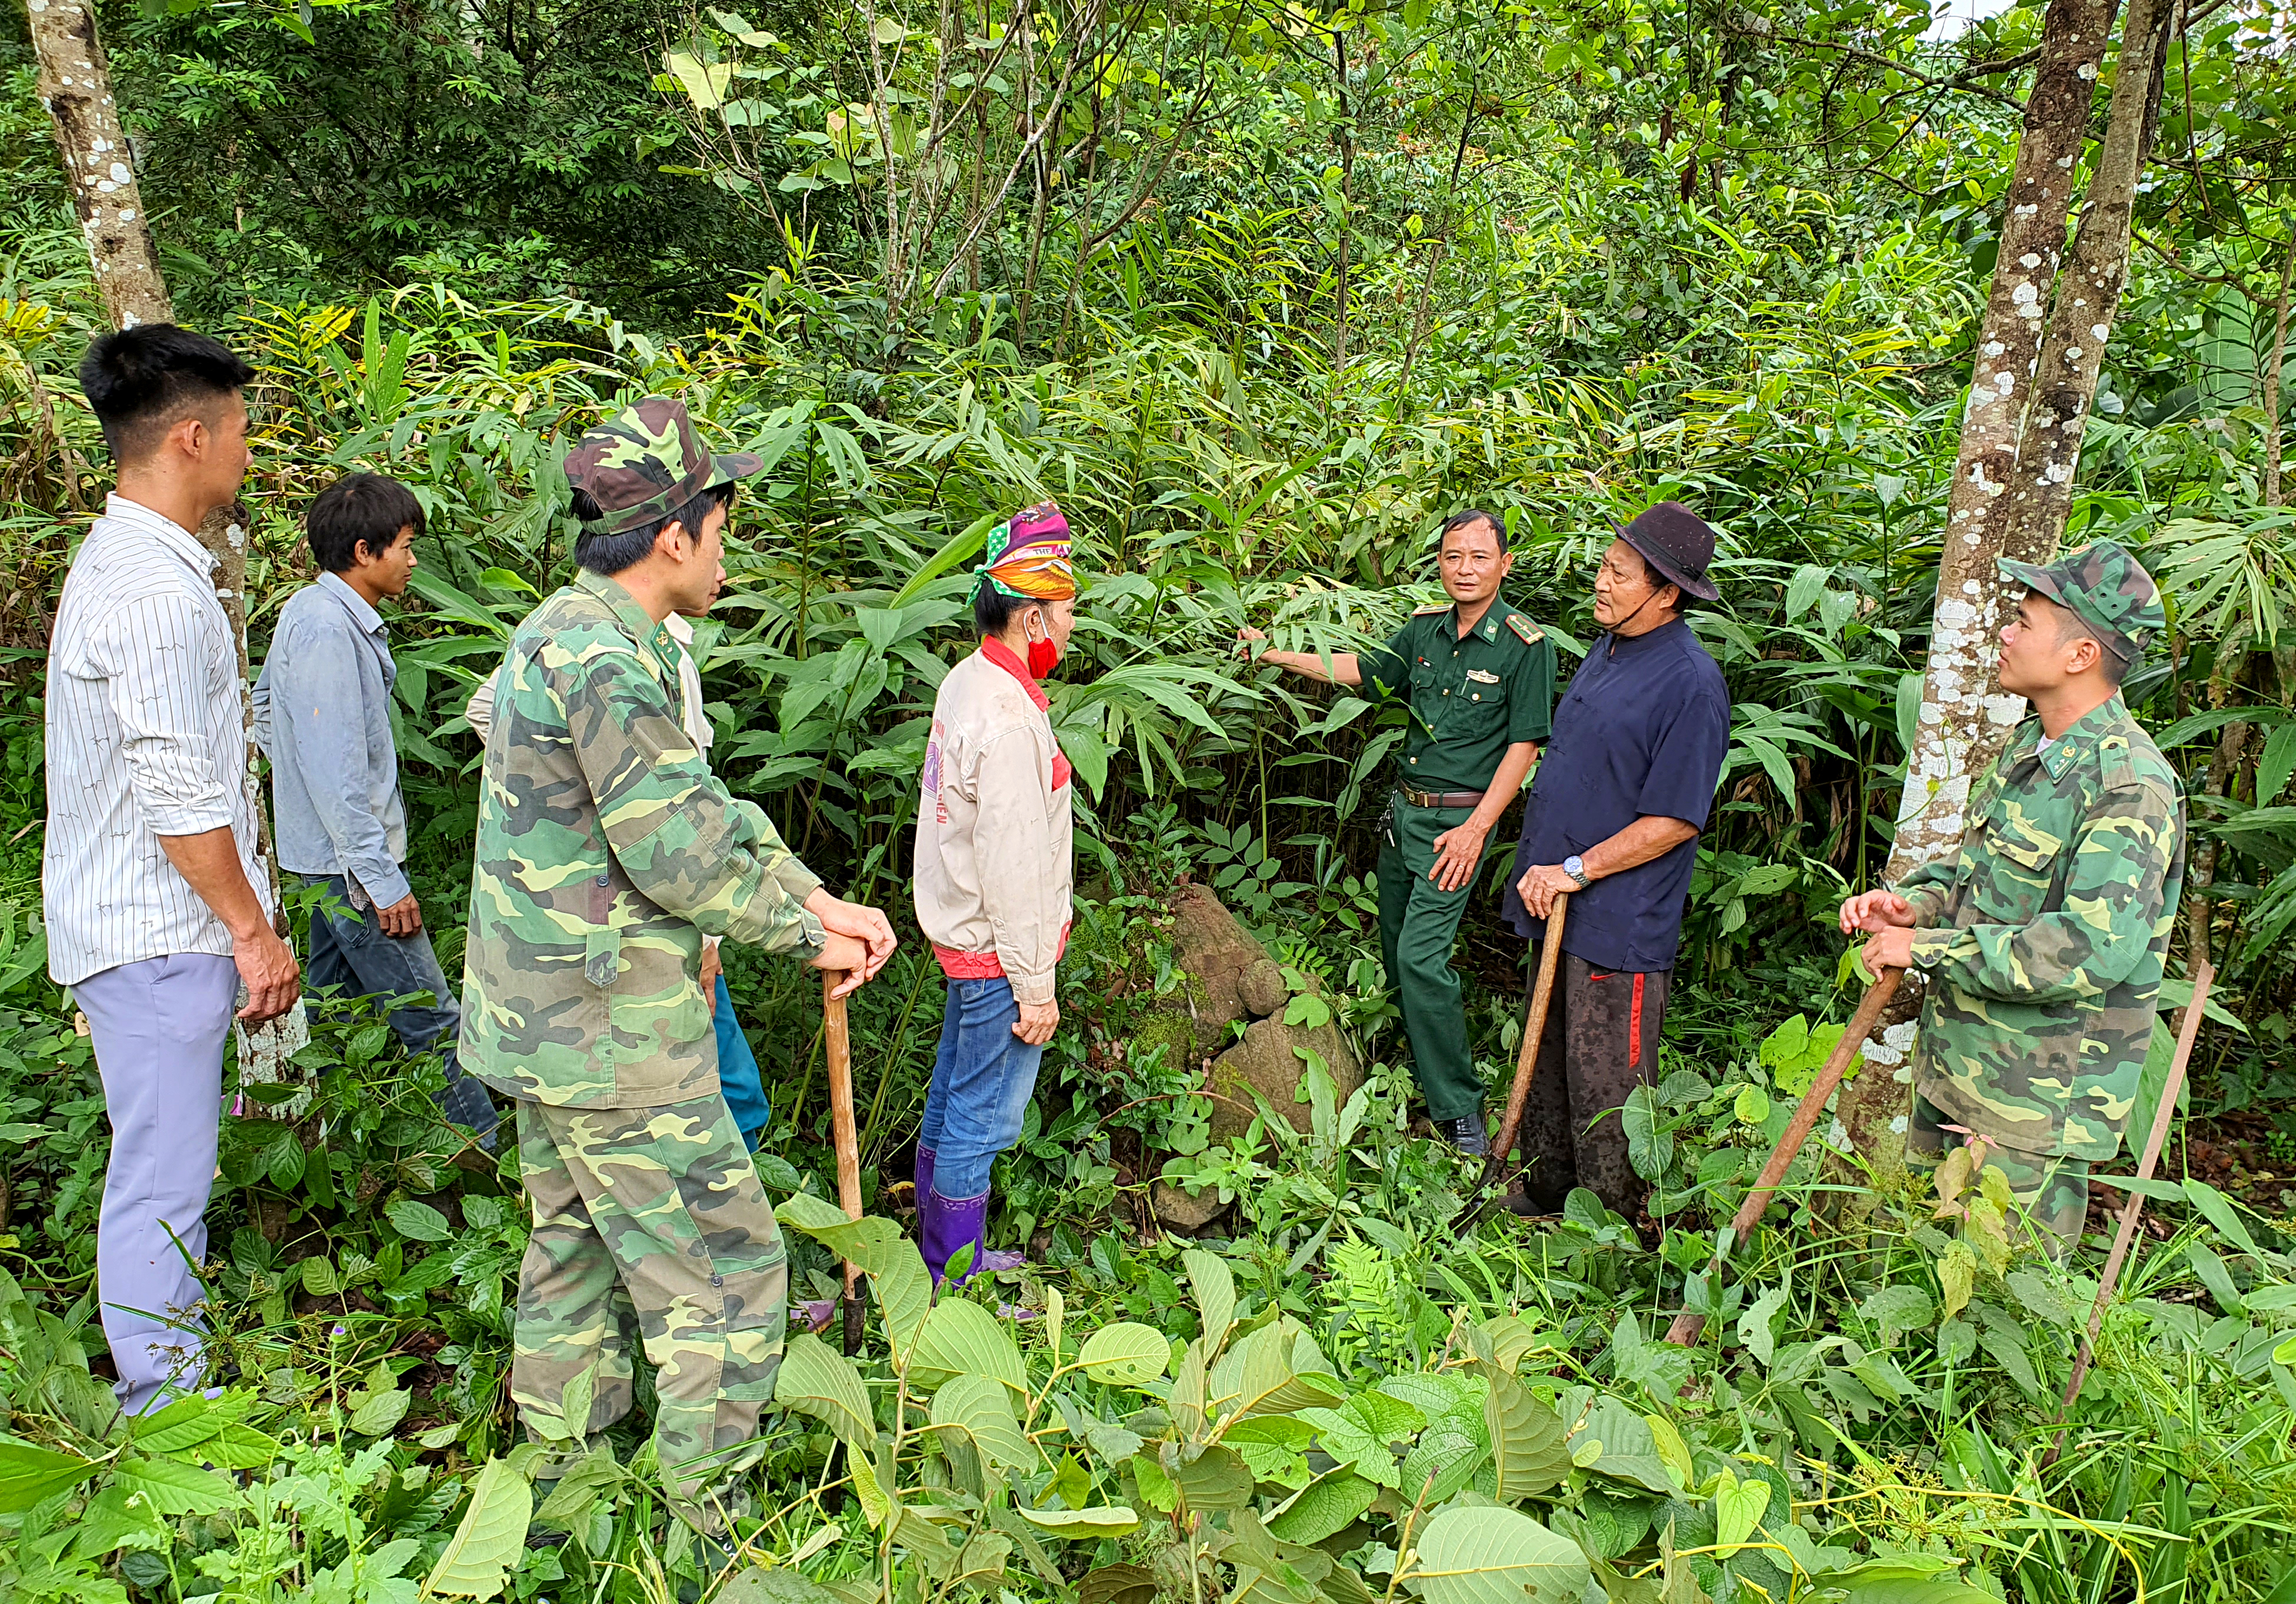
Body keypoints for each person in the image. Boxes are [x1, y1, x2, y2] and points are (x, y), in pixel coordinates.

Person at [462, 396, 894, 1526]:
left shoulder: (562, 628)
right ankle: (710, 1529)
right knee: (729, 1270)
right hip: (612, 1037)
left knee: (571, 1251)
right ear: (674, 534)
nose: (724, 551)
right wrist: (812, 931)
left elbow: (696, 804)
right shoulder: (608, 659)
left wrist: (812, 891)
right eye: (721, 524)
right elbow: (677, 851)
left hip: (541, 1026)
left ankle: (561, 1504)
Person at [46, 325, 301, 1413]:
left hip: (143, 932)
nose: (251, 455)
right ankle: (165, 1413)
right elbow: (178, 795)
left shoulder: (131, 565)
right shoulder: (152, 588)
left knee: (164, 1170)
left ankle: (171, 1392)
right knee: (161, 1186)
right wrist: (252, 929)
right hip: (161, 931)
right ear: (192, 437)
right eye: (242, 434)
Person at [1840, 540, 2183, 1255]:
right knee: (1929, 1271)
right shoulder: (2030, 747)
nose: (2005, 631)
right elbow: (1974, 878)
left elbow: (2087, 950)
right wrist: (1911, 906)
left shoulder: (2129, 785)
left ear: (2080, 655)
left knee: (2003, 1300)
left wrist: (1924, 948)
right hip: (1961, 1067)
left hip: (2034, 1102)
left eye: (2024, 621)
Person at [1239, 511, 1555, 1154]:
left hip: (1458, 824)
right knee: (1394, 951)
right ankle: (1413, 1070)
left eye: (1478, 556)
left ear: (1505, 564)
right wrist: (1271, 652)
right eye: (1452, 556)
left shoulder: (1525, 646)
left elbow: (1524, 746)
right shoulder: (1423, 631)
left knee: (1420, 957)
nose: (1464, 568)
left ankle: (1460, 1109)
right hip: (1402, 816)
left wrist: (1476, 831)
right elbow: (1362, 671)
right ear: (1439, 563)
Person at [463, 595, 772, 1150]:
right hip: (652, 907)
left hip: (652, 897)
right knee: (733, 1096)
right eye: (715, 538)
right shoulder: (619, 651)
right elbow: (674, 822)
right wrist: (580, 801)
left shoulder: (619, 638)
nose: (724, 570)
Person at [1505, 502, 1731, 1223]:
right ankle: (1545, 1193)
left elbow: (1672, 820)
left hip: (1618, 918)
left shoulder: (1691, 684)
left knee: (1609, 1078)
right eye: (1604, 565)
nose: (1599, 582)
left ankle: (1615, 1227)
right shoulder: (1608, 651)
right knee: (1549, 1062)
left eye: (1617, 572)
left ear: (1665, 592)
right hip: (1557, 901)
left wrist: (1576, 869)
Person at [254, 474, 497, 1142]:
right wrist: (381, 879)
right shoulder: (328, 630)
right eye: (406, 546)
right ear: (365, 551)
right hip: (350, 871)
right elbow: (338, 775)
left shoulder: (310, 614)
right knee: (432, 1018)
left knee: (333, 1017)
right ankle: (492, 1163)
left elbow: (266, 713)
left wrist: (299, 786)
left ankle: (343, 1154)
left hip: (319, 861)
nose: (413, 561)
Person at [913, 503, 1079, 1281]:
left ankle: (938, 1254)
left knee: (953, 1092)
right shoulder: (1011, 719)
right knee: (984, 1115)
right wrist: (1036, 989)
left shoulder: (967, 681)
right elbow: (1013, 867)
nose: (1072, 630)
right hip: (997, 953)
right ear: (1034, 617)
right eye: (1068, 613)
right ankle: (954, 1274)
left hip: (963, 936)